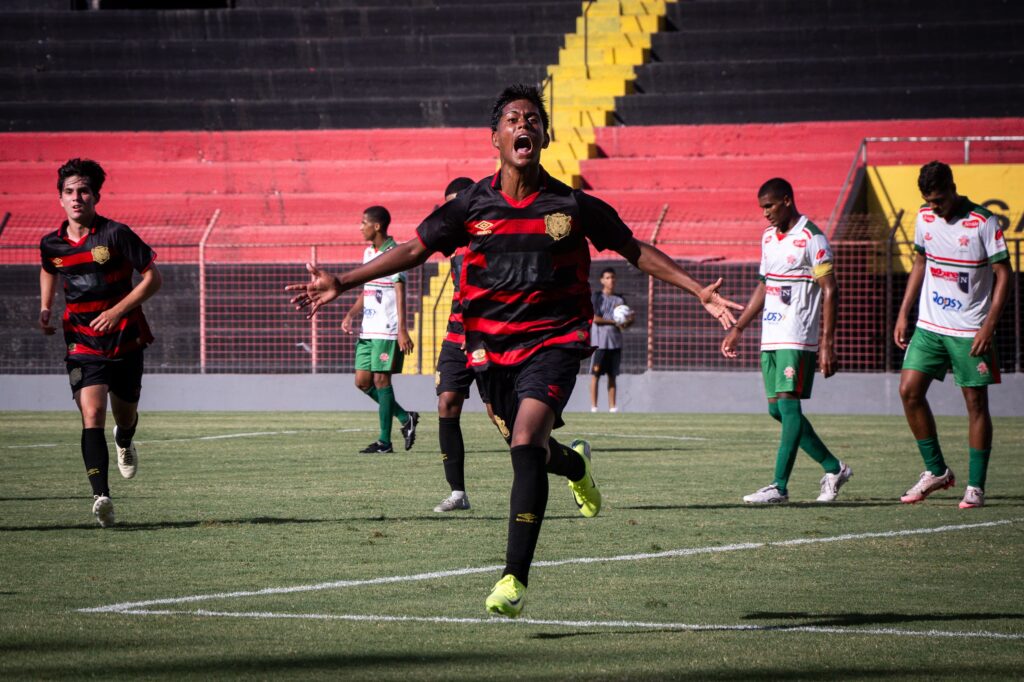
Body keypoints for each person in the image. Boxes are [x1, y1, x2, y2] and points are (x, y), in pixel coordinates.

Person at [287, 83, 741, 617]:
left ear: (544, 136)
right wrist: (343, 281)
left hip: (553, 342)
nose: (524, 124)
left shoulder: (571, 205)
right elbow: (413, 249)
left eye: (533, 119)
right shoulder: (471, 205)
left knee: (525, 443)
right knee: (530, 449)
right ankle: (576, 466)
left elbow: (633, 249)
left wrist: (697, 289)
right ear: (496, 139)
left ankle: (513, 578)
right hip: (489, 350)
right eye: (513, 119)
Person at [38, 158, 162, 527]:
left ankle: (125, 439)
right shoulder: (51, 244)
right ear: (60, 198)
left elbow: (154, 278)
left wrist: (117, 311)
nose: (77, 198)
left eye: (84, 191)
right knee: (91, 413)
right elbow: (48, 268)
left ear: (96, 197)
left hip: (124, 338)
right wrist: (45, 307)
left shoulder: (115, 234)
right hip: (82, 342)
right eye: (69, 192)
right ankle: (101, 497)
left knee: (124, 415)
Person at [721, 178, 852, 504]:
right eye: (762, 208)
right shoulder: (768, 237)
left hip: (798, 334)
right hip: (771, 335)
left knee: (789, 404)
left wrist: (827, 344)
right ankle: (833, 467)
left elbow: (830, 290)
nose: (765, 213)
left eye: (770, 206)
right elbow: (764, 286)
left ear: (787, 201)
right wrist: (739, 328)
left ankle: (779, 486)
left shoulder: (812, 237)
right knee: (777, 410)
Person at [894, 161, 1011, 508]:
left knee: (975, 404)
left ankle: (975, 486)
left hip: (969, 330)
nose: (935, 207)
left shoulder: (983, 222)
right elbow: (920, 263)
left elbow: (1004, 274)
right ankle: (937, 471)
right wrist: (903, 312)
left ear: (953, 188)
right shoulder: (924, 217)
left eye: (940, 200)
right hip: (930, 326)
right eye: (929, 201)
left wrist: (989, 325)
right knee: (909, 391)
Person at [432, 177, 506, 513]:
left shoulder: (495, 236)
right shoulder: (451, 242)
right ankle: (458, 493)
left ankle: (564, 461)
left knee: (501, 416)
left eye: (458, 202)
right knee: (447, 403)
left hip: (488, 338)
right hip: (455, 337)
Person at [341, 206, 419, 454]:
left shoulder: (395, 254)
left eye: (363, 223)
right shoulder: (368, 253)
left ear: (376, 226)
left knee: (381, 379)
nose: (360, 227)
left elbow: (400, 291)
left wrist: (402, 330)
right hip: (368, 328)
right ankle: (405, 417)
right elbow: (368, 289)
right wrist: (351, 314)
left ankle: (384, 442)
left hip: (387, 328)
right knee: (362, 382)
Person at [589, 267, 632, 413]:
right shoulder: (597, 297)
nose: (611, 280)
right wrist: (614, 321)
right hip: (600, 343)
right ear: (602, 280)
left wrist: (628, 320)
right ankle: (594, 407)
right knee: (595, 374)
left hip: (615, 343)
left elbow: (624, 324)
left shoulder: (620, 300)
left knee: (612, 375)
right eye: (607, 278)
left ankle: (612, 407)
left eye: (613, 277)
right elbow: (595, 318)